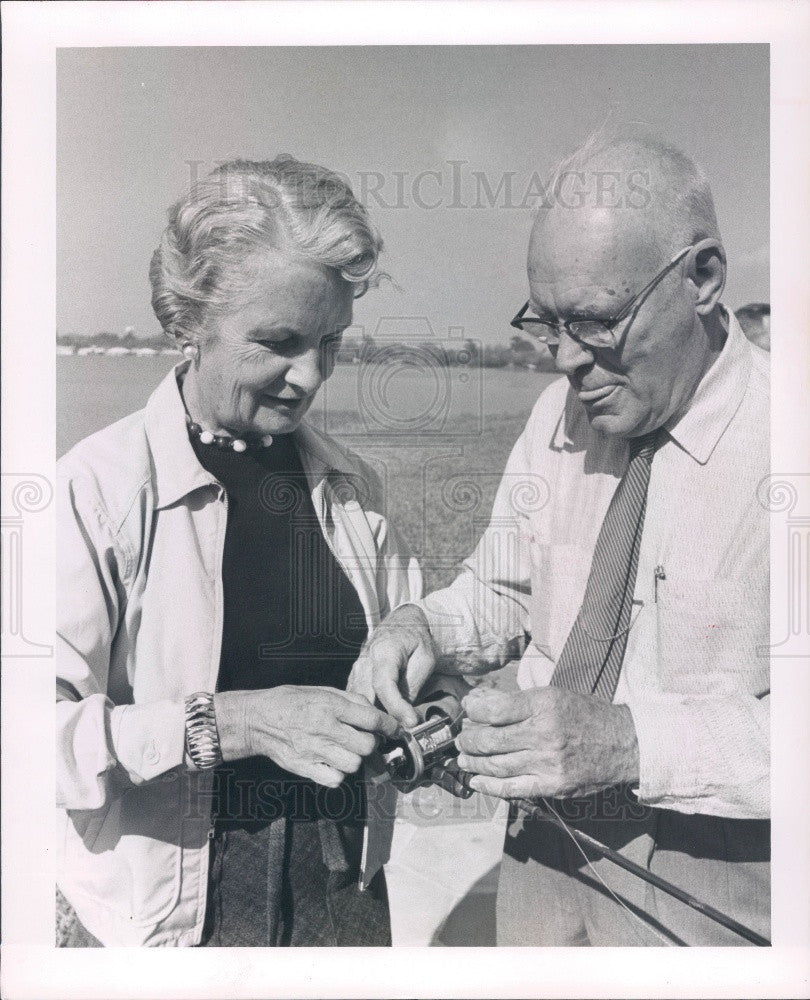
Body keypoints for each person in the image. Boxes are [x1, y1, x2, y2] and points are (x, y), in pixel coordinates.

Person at [353, 129, 769, 946]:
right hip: (539, 865)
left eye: (597, 321)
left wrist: (625, 742)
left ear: (704, 278)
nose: (566, 361)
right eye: (547, 324)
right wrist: (421, 628)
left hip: (717, 891)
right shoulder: (558, 420)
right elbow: (502, 584)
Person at [56, 157, 421, 947]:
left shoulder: (354, 486)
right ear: (187, 322)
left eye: (331, 343)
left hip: (346, 889)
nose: (310, 376)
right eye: (280, 342)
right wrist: (233, 724)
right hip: (180, 915)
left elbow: (414, 649)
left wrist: (435, 711)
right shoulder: (93, 490)